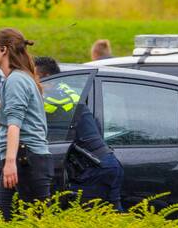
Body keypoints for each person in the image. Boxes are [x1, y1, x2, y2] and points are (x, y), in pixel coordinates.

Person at [0, 29, 52, 220]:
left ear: (4, 49)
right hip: (24, 157)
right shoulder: (18, 78)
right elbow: (8, 123)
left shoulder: (16, 80)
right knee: (5, 216)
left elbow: (14, 126)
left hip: (26, 159)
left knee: (36, 223)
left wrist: (10, 164)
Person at [35, 56, 123, 211]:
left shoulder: (57, 100)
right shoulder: (64, 91)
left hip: (95, 167)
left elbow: (32, 114)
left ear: (47, 78)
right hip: (104, 162)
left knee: (84, 218)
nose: (31, 84)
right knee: (113, 217)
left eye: (33, 78)